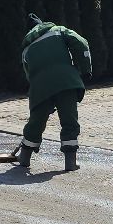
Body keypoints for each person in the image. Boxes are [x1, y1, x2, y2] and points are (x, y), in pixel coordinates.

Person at [14, 15, 93, 172]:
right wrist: (85, 69)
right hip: (66, 82)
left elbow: (29, 76)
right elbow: (81, 43)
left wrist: (44, 98)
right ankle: (70, 163)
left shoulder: (26, 50)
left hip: (40, 89)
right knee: (69, 121)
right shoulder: (58, 31)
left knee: (36, 122)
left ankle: (24, 158)